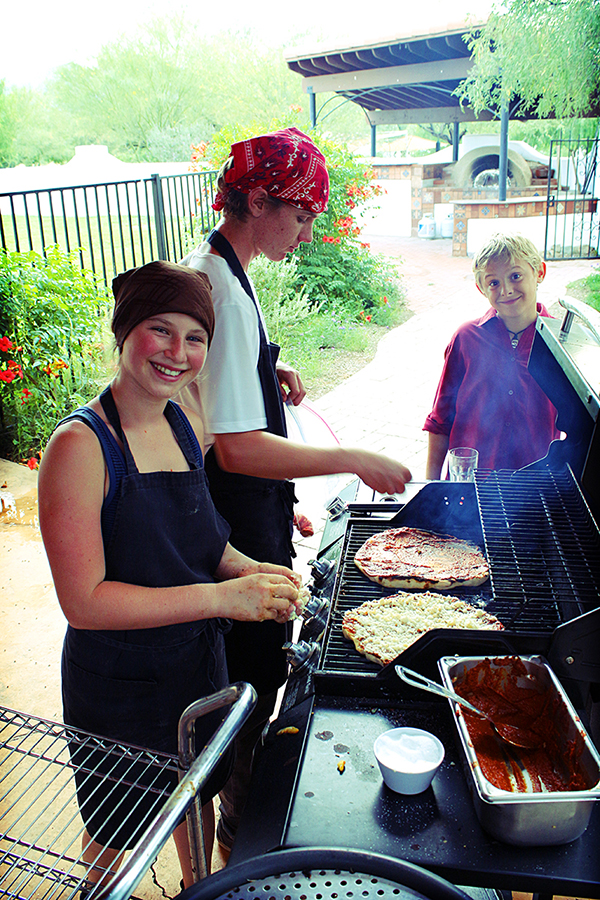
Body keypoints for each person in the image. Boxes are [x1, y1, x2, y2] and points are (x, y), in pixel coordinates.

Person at [178, 126, 412, 852]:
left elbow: (216, 396)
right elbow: (240, 449)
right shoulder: (219, 283)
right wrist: (355, 458)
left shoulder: (222, 268)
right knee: (247, 692)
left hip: (242, 516)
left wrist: (266, 379)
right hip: (230, 526)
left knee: (252, 686)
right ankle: (240, 850)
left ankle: (237, 829)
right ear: (254, 198)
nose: (307, 232)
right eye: (302, 215)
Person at [37, 260, 303, 889]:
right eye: (160, 330)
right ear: (124, 331)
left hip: (194, 668)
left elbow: (205, 542)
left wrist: (254, 573)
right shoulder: (79, 447)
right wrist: (223, 596)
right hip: (120, 686)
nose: (177, 353)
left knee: (194, 793)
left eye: (195, 337)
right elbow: (86, 601)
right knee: (118, 831)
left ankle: (197, 885)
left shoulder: (182, 421)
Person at [424, 232, 561, 479]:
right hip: (468, 491)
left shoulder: (561, 346)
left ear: (539, 272)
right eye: (493, 282)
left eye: (516, 276)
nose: (506, 290)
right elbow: (440, 420)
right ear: (481, 288)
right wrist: (430, 487)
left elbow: (580, 430)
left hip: (534, 490)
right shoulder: (466, 338)